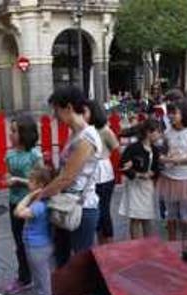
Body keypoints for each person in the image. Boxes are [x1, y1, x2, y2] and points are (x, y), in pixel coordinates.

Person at [40, 86, 103, 266]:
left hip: (81, 209)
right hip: (67, 204)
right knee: (63, 258)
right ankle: (65, 293)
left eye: (56, 110)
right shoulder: (76, 134)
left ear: (68, 108)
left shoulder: (86, 138)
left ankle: (81, 294)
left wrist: (40, 196)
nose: (55, 116)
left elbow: (67, 178)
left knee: (79, 263)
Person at [3, 115, 43, 295]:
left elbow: (41, 182)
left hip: (31, 204)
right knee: (19, 242)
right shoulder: (9, 154)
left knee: (34, 240)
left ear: (25, 133)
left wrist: (17, 180)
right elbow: (7, 175)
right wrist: (7, 180)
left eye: (14, 131)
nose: (10, 134)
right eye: (11, 130)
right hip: (14, 202)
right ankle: (24, 277)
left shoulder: (35, 155)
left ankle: (39, 274)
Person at [158, 100, 187, 240]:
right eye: (169, 113)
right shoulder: (167, 133)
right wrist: (164, 158)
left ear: (184, 113)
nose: (171, 116)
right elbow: (163, 153)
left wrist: (179, 161)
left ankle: (186, 244)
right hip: (169, 177)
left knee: (185, 213)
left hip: (185, 178)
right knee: (169, 213)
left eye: (174, 113)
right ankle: (171, 243)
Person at [118, 119, 163, 239]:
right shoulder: (133, 148)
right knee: (135, 217)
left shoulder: (155, 150)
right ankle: (136, 245)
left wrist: (153, 173)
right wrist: (138, 174)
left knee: (147, 217)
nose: (159, 134)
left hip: (147, 186)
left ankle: (147, 245)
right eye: (158, 131)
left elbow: (157, 167)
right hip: (134, 185)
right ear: (149, 132)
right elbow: (122, 165)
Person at [14, 168, 55, 295]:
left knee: (43, 278)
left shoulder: (39, 205)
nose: (28, 183)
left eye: (31, 181)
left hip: (38, 246)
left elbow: (18, 212)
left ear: (40, 186)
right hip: (36, 244)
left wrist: (29, 196)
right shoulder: (42, 202)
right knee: (39, 276)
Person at [84, 100, 119, 245]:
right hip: (89, 171)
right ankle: (99, 243)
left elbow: (116, 147)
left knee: (103, 210)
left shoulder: (104, 130)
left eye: (85, 111)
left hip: (102, 172)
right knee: (93, 209)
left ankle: (108, 244)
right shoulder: (84, 130)